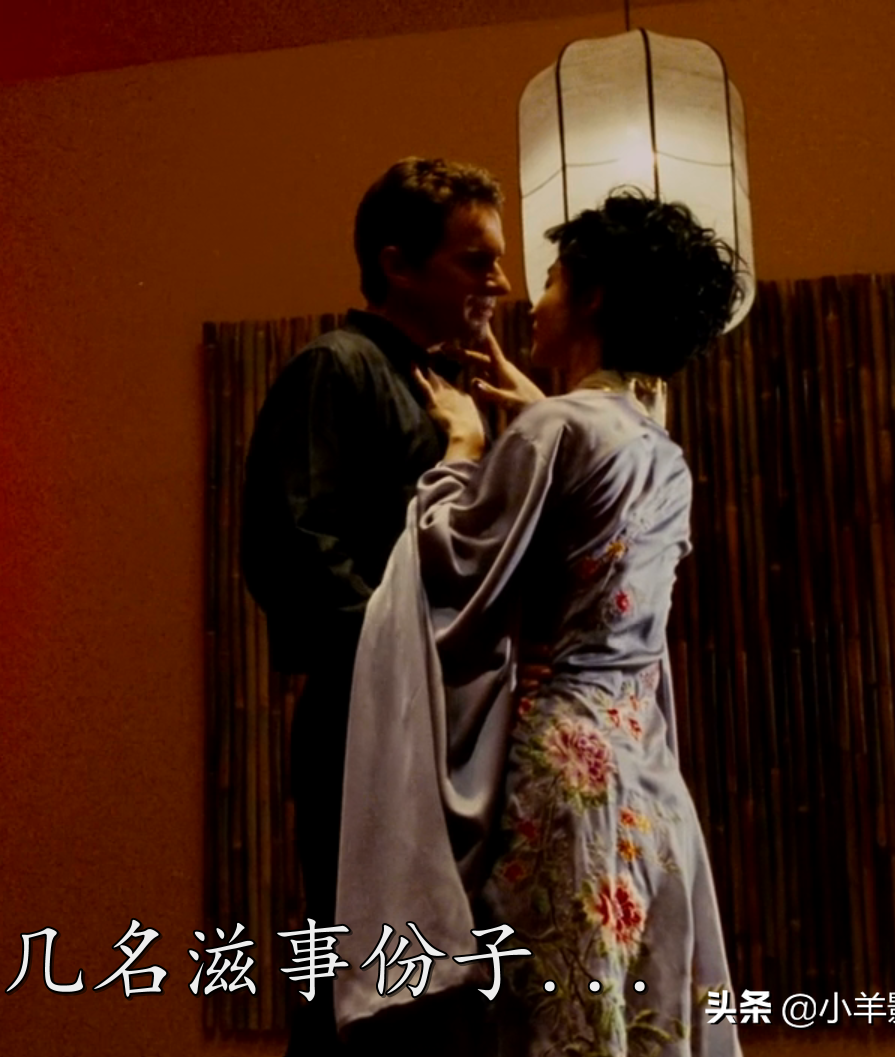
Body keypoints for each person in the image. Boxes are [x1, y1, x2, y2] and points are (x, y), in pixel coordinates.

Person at [335, 191, 744, 1057]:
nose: (533, 298)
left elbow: (455, 560)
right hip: (644, 772)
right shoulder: (658, 448)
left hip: (561, 771)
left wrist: (461, 450)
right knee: (616, 1014)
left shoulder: (558, 427)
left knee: (553, 1025)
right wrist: (538, 420)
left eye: (553, 280)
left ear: (592, 298)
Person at [240, 156, 511, 1056]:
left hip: (443, 721)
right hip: (368, 718)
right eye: (476, 260)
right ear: (397, 263)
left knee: (446, 980)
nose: (499, 283)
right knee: (370, 981)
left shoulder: (450, 387)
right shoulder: (335, 368)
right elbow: (292, 547)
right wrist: (401, 665)